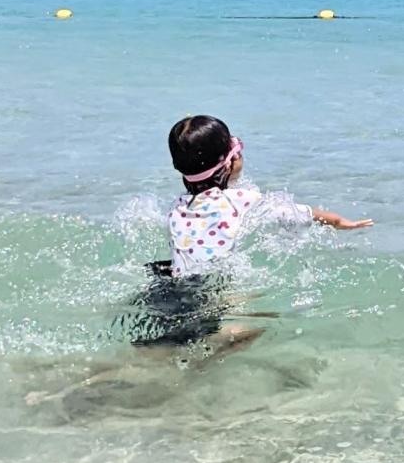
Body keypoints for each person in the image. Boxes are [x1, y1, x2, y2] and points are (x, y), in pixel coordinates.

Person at [131, 114, 373, 354]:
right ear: (230, 161)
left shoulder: (178, 207)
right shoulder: (242, 201)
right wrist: (340, 222)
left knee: (170, 344)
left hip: (172, 288)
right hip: (213, 293)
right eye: (237, 149)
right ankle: (204, 361)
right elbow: (296, 213)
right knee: (264, 322)